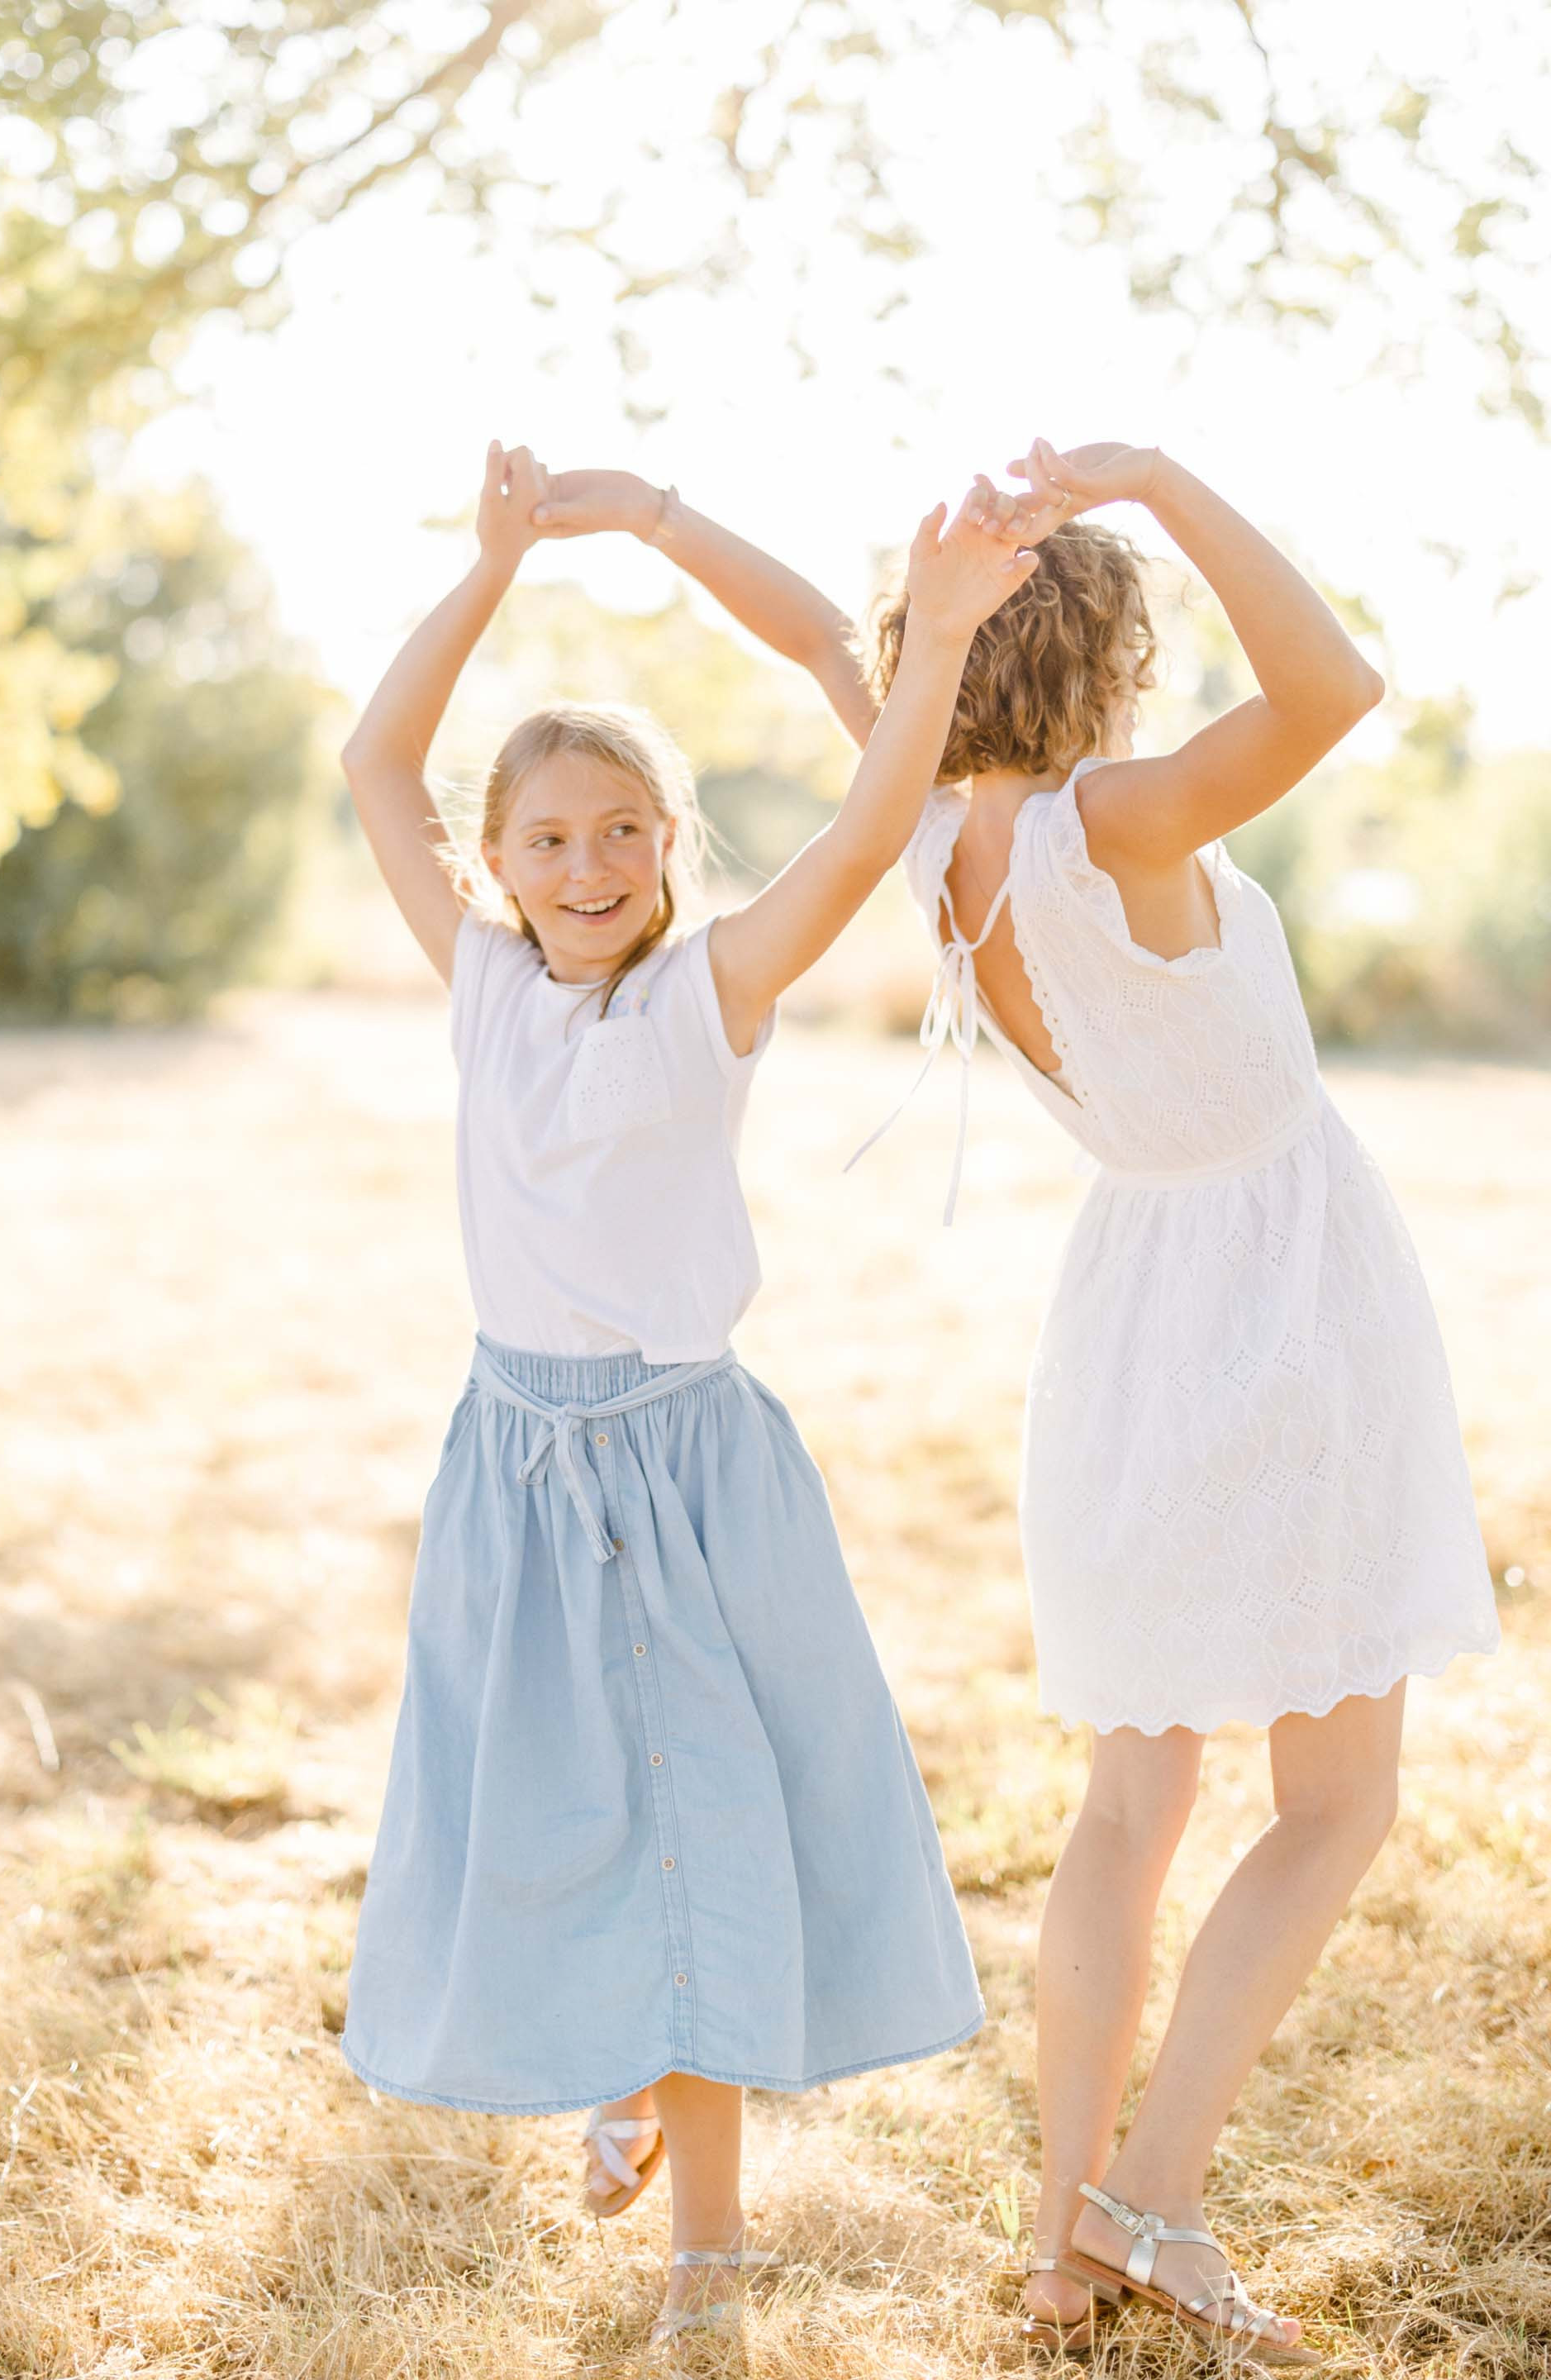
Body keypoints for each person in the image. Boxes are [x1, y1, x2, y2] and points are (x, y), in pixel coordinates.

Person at [564, 441, 1501, 2364]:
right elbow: (1339, 689)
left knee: (1132, 1796)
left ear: (957, 648)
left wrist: (659, 518)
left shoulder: (933, 828)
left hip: (1132, 1313)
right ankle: (1149, 2194)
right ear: (1111, 660)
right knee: (1334, 1802)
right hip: (1284, 1302)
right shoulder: (1122, 822)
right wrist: (1160, 474)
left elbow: (827, 641)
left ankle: (1066, 2241)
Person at [336, 439, 1024, 2364]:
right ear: (500, 864)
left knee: (705, 1817)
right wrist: (488, 567)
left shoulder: (711, 990)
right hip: (517, 1469)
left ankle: (709, 2251)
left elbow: (884, 806)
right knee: (563, 1813)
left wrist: (667, 527)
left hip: (687, 1465)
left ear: (670, 848)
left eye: (623, 831)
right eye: (547, 838)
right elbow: (377, 766)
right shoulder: (479, 980)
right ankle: (637, 2065)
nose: (584, 868)